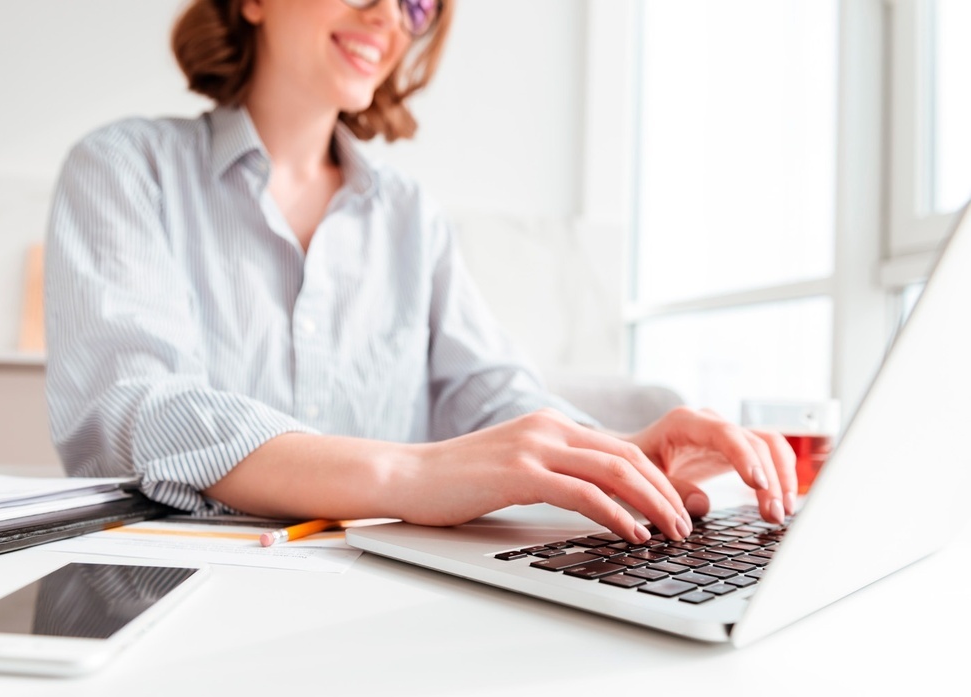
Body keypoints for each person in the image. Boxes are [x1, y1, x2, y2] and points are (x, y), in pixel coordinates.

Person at [45, 0, 796, 546]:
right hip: (179, 584)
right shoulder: (121, 170)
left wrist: (617, 453)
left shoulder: (411, 218)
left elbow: (493, 394)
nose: (387, 17)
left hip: (382, 590)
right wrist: (410, 475)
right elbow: (138, 411)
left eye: (416, 5)